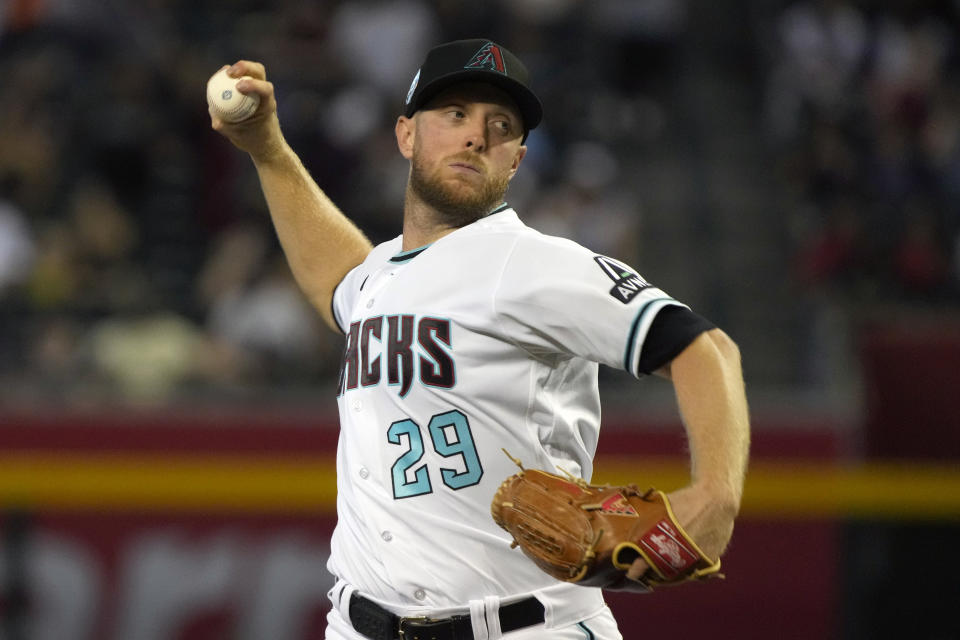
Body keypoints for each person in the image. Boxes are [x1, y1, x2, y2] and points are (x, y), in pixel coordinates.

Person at [210, 38, 750, 640]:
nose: (477, 136)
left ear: (516, 161)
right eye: (456, 115)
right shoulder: (380, 275)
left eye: (501, 126)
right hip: (359, 623)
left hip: (525, 628)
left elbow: (706, 349)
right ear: (407, 136)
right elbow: (335, 278)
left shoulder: (534, 263)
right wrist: (267, 150)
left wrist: (717, 495)